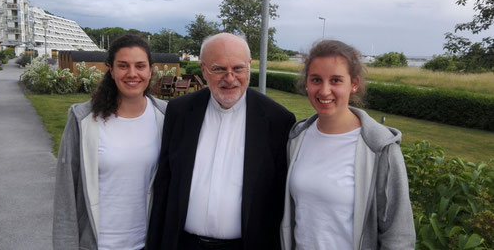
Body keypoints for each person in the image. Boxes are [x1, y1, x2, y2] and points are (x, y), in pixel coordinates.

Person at [147, 33, 296, 250]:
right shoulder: (179, 112)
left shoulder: (278, 120)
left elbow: (278, 198)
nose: (229, 77)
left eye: (237, 68)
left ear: (249, 66)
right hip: (183, 244)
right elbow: (165, 183)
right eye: (219, 69)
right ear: (204, 69)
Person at [280, 40, 415, 250]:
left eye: (335, 80)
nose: (324, 91)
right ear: (306, 83)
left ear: (353, 84)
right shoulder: (297, 138)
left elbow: (399, 235)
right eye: (316, 79)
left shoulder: (380, 148)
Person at [53, 34, 167, 250]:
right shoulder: (83, 119)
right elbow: (65, 195)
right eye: (123, 66)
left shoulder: (167, 116)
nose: (132, 73)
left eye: (140, 66)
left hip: (148, 243)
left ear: (150, 70)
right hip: (98, 244)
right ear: (111, 70)